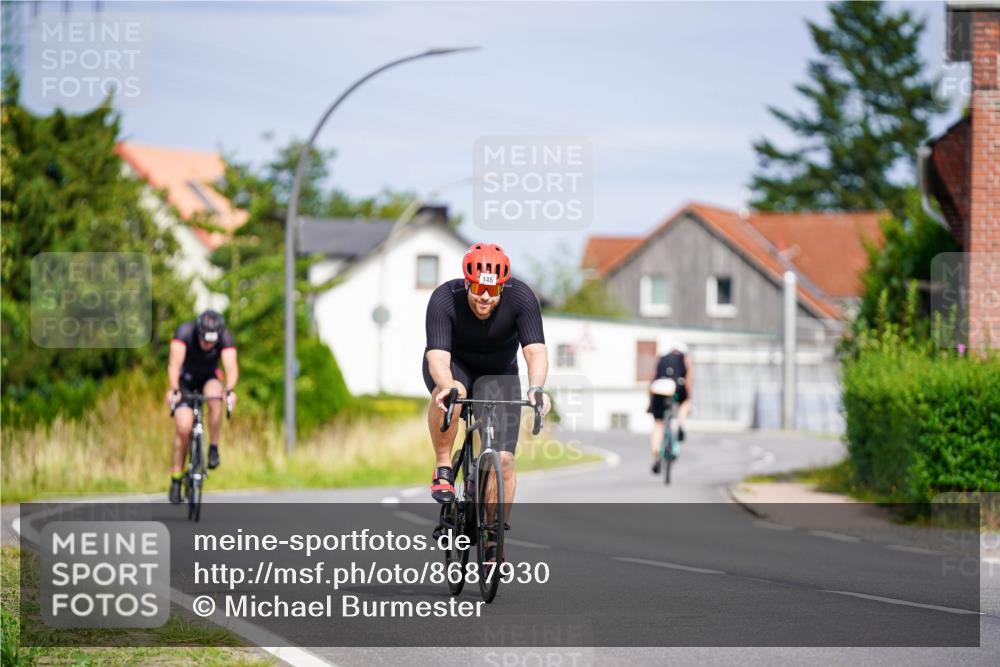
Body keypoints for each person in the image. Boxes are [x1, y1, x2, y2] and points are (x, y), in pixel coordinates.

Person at [423, 243, 551, 560]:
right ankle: (442, 467)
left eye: (492, 291)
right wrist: (446, 385)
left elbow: (535, 350)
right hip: (455, 367)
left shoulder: (521, 297)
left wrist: (536, 389)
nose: (485, 297)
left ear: (502, 288)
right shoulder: (444, 298)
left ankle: (494, 536)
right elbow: (437, 355)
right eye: (478, 288)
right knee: (456, 395)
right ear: (467, 282)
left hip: (500, 373)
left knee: (504, 460)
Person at [165, 310, 238, 503]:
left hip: (209, 377)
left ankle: (213, 448)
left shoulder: (224, 336)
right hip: (185, 380)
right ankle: (176, 478)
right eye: (205, 341)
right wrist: (174, 389)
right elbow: (173, 364)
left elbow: (231, 367)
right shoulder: (185, 332)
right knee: (183, 428)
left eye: (212, 342)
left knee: (215, 398)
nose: (208, 346)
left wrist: (229, 390)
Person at [648, 341, 692, 474]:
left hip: (658, 389)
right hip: (677, 388)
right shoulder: (685, 358)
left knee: (658, 424)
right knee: (685, 403)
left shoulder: (660, 357)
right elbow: (689, 379)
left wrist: (650, 401)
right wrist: (688, 396)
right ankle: (680, 425)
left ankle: (656, 453)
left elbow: (651, 378)